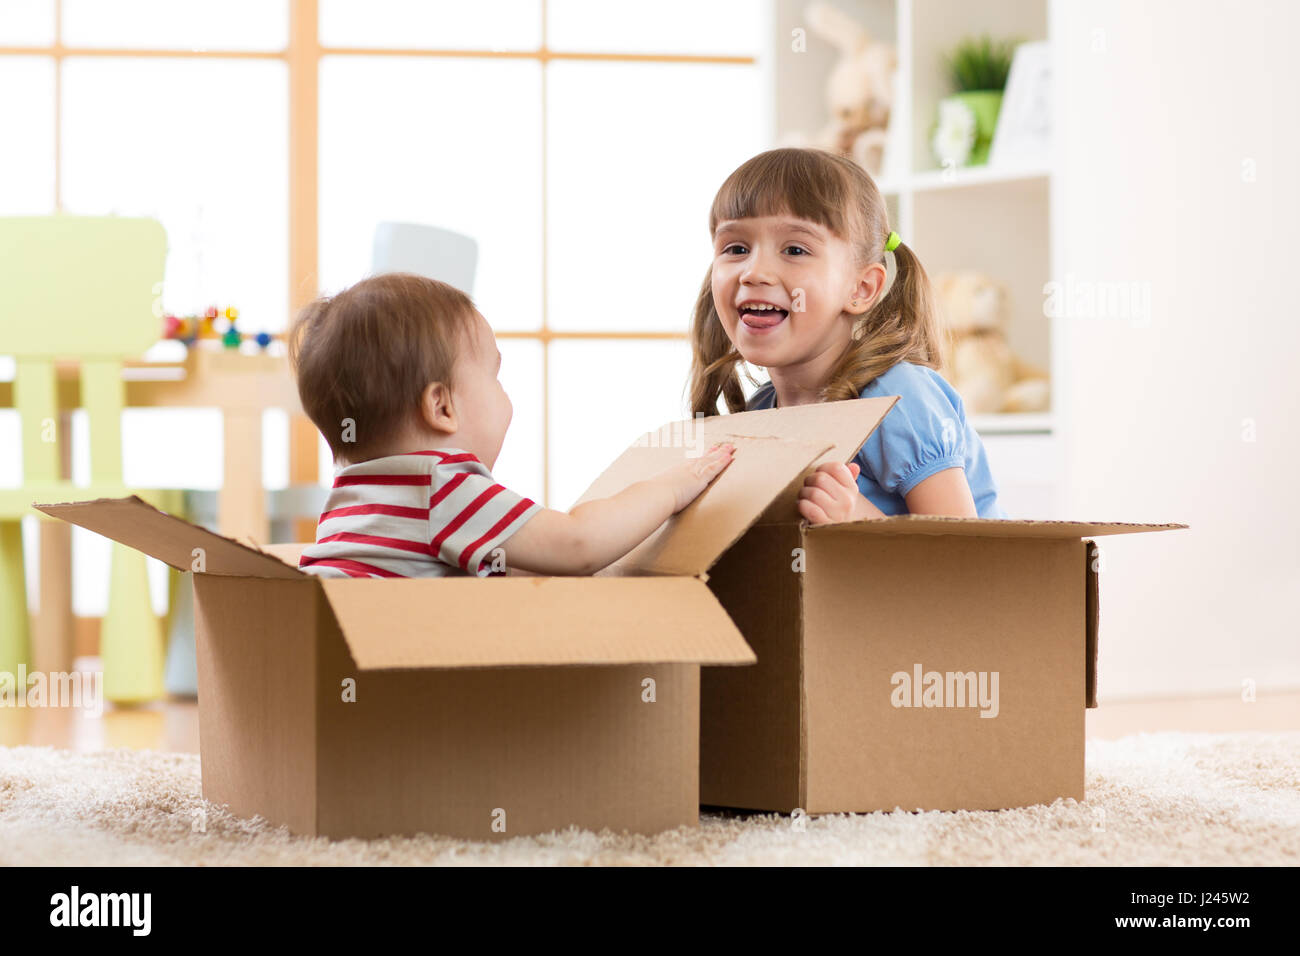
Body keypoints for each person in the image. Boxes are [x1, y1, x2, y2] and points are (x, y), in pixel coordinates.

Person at [288, 272, 734, 578]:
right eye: (493, 375)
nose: (504, 394)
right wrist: (671, 489)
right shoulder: (441, 488)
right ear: (441, 406)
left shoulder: (348, 504)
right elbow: (578, 543)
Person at [686, 147, 1006, 522]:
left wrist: (857, 519)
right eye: (736, 248)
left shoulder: (896, 397)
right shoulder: (761, 411)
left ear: (862, 289)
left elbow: (963, 551)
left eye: (795, 249)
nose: (754, 272)